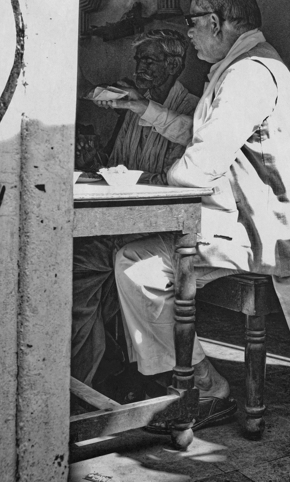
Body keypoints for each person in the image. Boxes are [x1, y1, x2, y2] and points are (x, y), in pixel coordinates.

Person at [107, 0, 290, 430]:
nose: (189, 34)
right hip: (247, 222)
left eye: (193, 24)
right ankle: (187, 378)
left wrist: (150, 178)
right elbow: (201, 134)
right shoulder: (241, 67)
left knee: (134, 263)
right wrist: (144, 110)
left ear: (215, 21)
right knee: (137, 260)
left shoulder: (248, 74)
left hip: (260, 231)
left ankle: (198, 383)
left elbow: (198, 165)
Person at [72, 29, 198, 392]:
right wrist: (94, 163)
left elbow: (177, 182)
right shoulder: (131, 106)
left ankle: (85, 382)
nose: (140, 67)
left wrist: (126, 178)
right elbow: (118, 166)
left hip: (158, 231)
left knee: (82, 274)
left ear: (174, 65)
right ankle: (94, 377)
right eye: (138, 59)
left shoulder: (189, 109)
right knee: (73, 267)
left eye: (149, 60)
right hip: (123, 225)